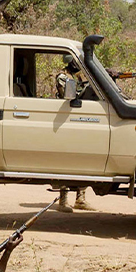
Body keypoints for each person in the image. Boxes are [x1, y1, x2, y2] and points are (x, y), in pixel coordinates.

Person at [54, 54, 94, 212]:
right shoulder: (63, 77)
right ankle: (62, 201)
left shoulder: (77, 77)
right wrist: (89, 86)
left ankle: (80, 199)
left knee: (82, 160)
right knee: (65, 161)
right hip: (65, 119)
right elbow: (70, 96)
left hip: (77, 119)